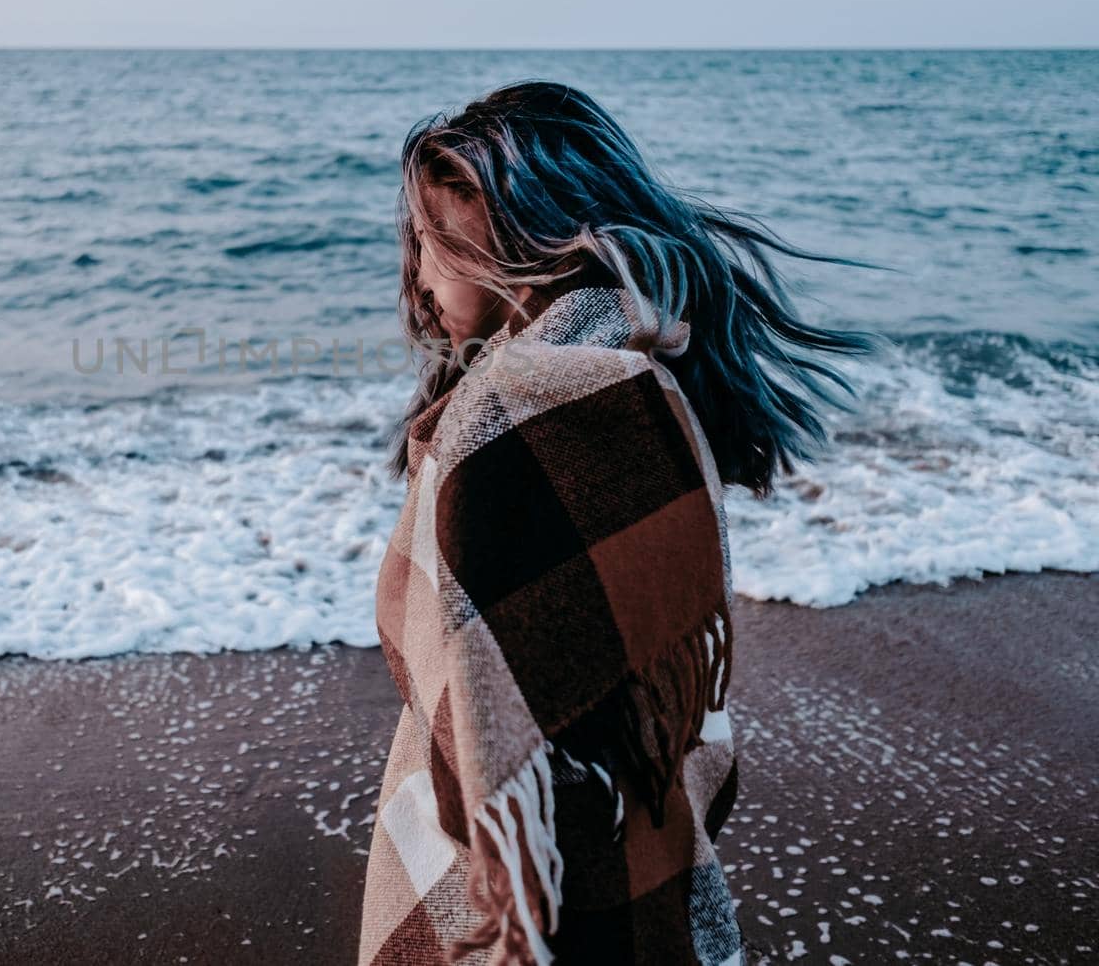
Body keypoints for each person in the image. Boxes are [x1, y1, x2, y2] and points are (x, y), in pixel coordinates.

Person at [357, 81, 888, 965]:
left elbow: (484, 718)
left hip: (543, 870)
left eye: (429, 239)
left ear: (503, 224)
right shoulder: (639, 368)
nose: (416, 268)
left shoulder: (519, 406)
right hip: (637, 813)